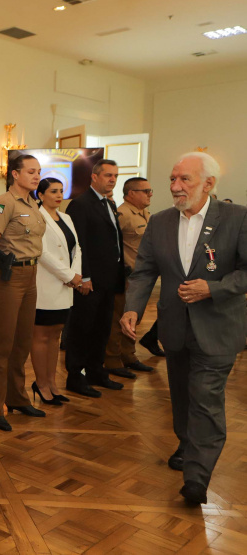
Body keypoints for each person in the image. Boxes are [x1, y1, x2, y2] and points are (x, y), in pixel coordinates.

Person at [121, 152, 247, 505]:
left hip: (218, 327)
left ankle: (197, 476)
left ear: (208, 184)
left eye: (184, 180)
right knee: (181, 398)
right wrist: (133, 309)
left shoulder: (237, 218)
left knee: (205, 399)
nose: (175, 187)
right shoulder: (160, 222)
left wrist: (214, 288)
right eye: (173, 179)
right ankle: (187, 445)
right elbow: (144, 270)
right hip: (175, 328)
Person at [0, 154, 47, 431]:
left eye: (39, 172)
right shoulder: (3, 203)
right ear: (15, 175)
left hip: (31, 274)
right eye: (31, 171)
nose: (36, 176)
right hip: (8, 276)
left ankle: (17, 397)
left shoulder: (32, 203)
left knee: (22, 342)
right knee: (2, 345)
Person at [63, 159, 126, 397]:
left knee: (102, 328)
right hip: (90, 280)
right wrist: (84, 276)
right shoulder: (81, 204)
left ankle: (96, 371)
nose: (112, 179)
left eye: (115, 176)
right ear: (94, 177)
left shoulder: (108, 203)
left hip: (109, 279)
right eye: (108, 175)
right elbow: (78, 245)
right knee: (83, 328)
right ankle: (75, 376)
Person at [31, 177, 81, 405]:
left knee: (55, 337)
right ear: (41, 195)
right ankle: (40, 384)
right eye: (53, 191)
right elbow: (41, 252)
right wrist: (68, 275)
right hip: (47, 284)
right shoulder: (37, 216)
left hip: (65, 285)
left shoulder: (67, 217)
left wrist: (75, 275)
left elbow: (76, 248)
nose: (59, 195)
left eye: (61, 191)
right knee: (41, 337)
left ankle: (51, 383)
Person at [104, 177, 156, 377]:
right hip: (127, 276)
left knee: (135, 318)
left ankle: (129, 356)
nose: (150, 194)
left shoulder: (145, 214)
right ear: (131, 193)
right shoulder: (122, 214)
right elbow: (111, 244)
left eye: (150, 191)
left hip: (142, 277)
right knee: (119, 319)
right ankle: (112, 359)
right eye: (146, 190)